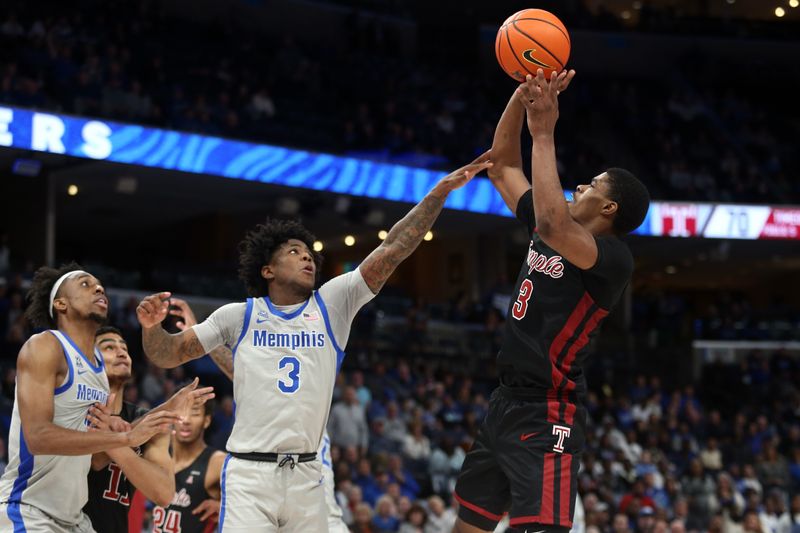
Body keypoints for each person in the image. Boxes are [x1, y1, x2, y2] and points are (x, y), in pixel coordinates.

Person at [134, 154, 492, 532]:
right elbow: (168, 354)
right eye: (294, 252)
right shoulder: (237, 315)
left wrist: (437, 194)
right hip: (249, 475)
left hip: (308, 474)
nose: (307, 257)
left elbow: (394, 248)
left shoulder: (333, 304)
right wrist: (152, 328)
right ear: (267, 270)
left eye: (309, 254)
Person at [452, 69, 651, 533]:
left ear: (609, 210)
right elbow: (501, 165)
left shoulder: (611, 258)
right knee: (466, 527)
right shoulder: (553, 224)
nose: (580, 186)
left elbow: (552, 225)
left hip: (549, 412)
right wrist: (522, 98)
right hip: (505, 402)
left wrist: (544, 132)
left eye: (592, 185)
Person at [0, 264, 179, 532]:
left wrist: (122, 427)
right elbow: (37, 437)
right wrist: (125, 438)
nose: (98, 288)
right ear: (61, 304)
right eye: (85, 284)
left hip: (74, 520)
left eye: (100, 285)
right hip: (31, 509)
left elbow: (95, 458)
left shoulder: (97, 367)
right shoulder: (45, 346)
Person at [166, 297, 353, 533]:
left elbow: (242, 372)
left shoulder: (309, 408)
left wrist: (204, 337)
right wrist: (204, 336)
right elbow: (244, 373)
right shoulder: (278, 405)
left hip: (318, 516)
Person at [84, 326, 214, 532]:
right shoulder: (76, 408)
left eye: (124, 349)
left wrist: (124, 438)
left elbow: (164, 493)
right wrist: (132, 437)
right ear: (88, 361)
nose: (121, 352)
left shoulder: (148, 421)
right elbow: (96, 460)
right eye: (109, 347)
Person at [152, 398, 226, 533]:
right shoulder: (155, 456)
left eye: (195, 413)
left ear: (207, 420)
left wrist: (224, 507)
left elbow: (251, 502)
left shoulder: (218, 462)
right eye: (181, 412)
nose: (186, 420)